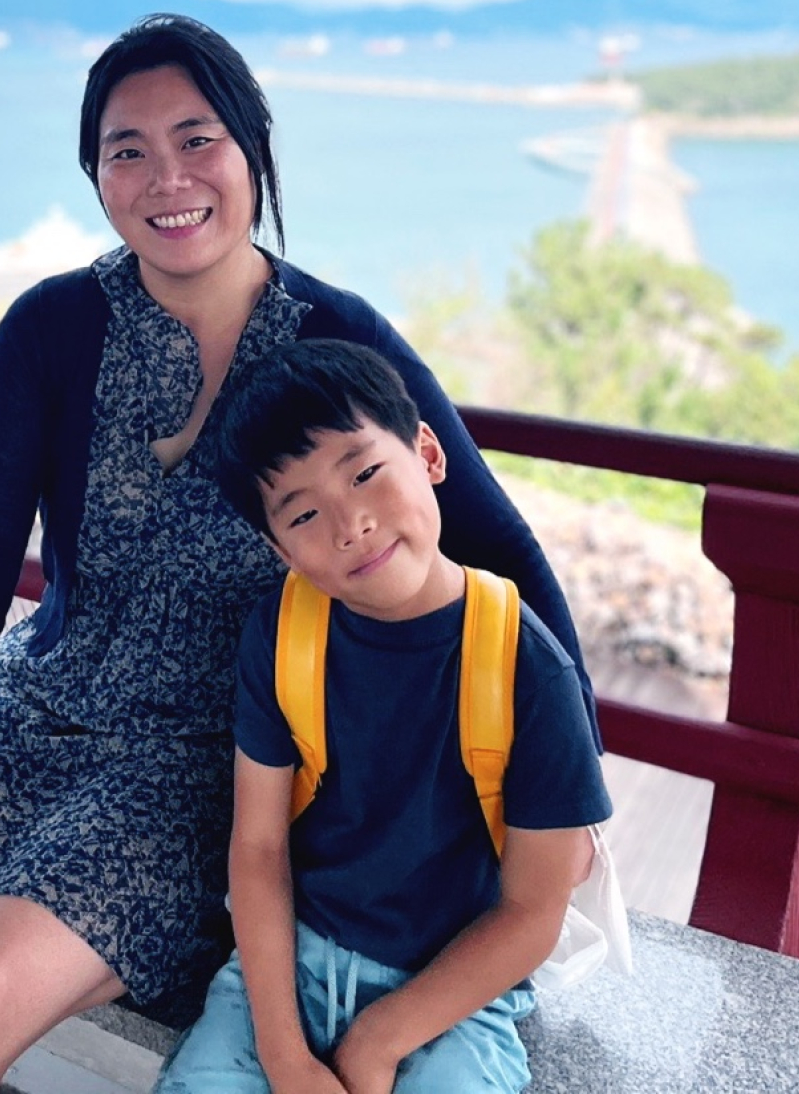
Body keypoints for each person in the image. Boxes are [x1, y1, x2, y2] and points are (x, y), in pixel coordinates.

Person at [0, 13, 596, 1094]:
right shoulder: (52, 326)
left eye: (198, 139)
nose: (169, 177)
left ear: (253, 148)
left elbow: (497, 547)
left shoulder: (338, 341)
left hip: (211, 773)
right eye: (128, 151)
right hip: (29, 720)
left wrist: (568, 791)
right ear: (97, 178)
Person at [156, 339, 611, 1094]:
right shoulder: (282, 634)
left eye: (365, 472)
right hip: (290, 962)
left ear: (428, 452)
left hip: (451, 995)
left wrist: (378, 1040)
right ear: (279, 548)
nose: (349, 524)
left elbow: (534, 911)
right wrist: (284, 1056)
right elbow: (259, 847)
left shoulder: (526, 666)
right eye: (302, 513)